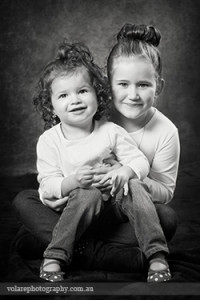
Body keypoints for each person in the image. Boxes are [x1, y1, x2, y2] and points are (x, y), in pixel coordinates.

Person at [12, 24, 180, 283]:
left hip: (117, 207)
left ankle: (155, 256)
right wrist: (72, 184)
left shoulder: (111, 130)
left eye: (82, 91)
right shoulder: (51, 139)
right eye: (122, 84)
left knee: (162, 215)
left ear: (95, 93)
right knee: (25, 200)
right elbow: (48, 185)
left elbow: (139, 163)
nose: (76, 100)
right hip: (76, 207)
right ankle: (82, 253)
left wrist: (123, 172)